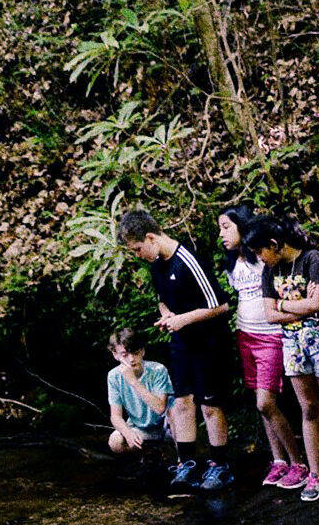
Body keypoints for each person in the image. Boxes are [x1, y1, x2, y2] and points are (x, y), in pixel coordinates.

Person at [117, 209, 233, 495]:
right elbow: (163, 302)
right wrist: (168, 316)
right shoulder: (158, 266)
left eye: (138, 248)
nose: (138, 254)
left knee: (210, 404)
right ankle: (188, 463)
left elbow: (221, 306)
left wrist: (183, 319)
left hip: (209, 342)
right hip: (181, 342)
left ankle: (220, 465)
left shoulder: (187, 261)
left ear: (151, 237)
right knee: (180, 401)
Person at [244, 213, 319, 503]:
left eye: (260, 251)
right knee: (308, 409)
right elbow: (270, 314)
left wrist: (289, 305)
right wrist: (298, 305)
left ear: (274, 243)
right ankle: (315, 473)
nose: (260, 258)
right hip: (292, 343)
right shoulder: (269, 271)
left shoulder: (312, 259)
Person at [217, 203, 305, 489]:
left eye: (227, 227)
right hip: (246, 335)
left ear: (243, 226)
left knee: (265, 402)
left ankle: (298, 462)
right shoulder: (233, 262)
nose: (222, 234)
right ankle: (278, 461)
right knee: (263, 406)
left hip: (270, 336)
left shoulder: (264, 259)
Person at [103, 329, 171, 456]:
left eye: (135, 353)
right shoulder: (113, 376)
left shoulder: (158, 370)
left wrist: (133, 381)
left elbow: (160, 408)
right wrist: (128, 433)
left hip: (165, 427)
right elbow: (116, 416)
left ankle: (179, 460)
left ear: (142, 351)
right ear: (115, 354)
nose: (131, 359)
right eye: (125, 355)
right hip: (139, 427)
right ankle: (151, 454)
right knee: (115, 441)